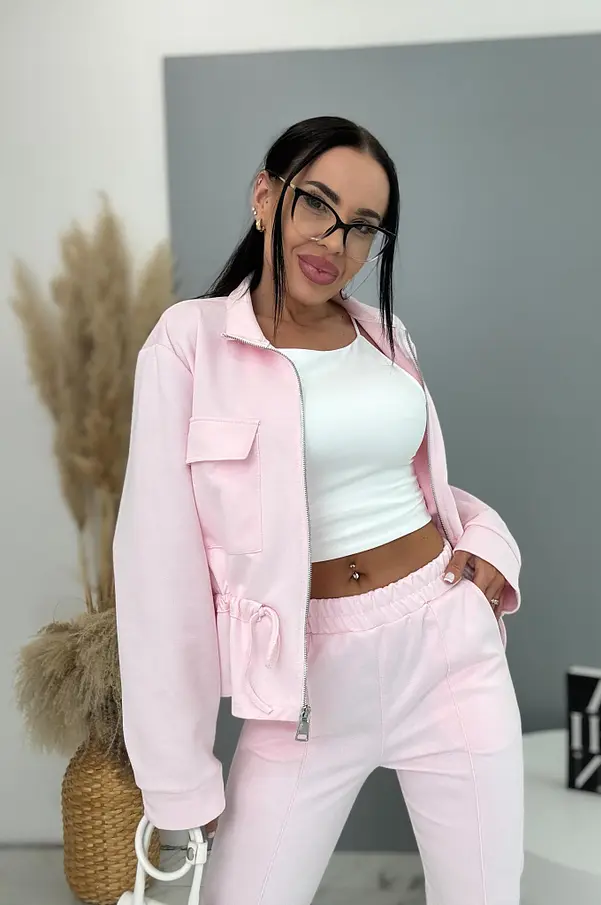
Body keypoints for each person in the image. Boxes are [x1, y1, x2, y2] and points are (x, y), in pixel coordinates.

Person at [114, 116, 523, 905]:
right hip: (303, 677)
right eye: (316, 204)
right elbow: (157, 569)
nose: (333, 241)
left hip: (446, 647)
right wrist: (178, 780)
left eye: (361, 225)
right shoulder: (188, 344)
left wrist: (488, 547)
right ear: (266, 197)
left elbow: (421, 489)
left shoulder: (386, 336)